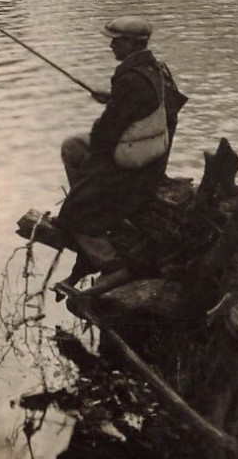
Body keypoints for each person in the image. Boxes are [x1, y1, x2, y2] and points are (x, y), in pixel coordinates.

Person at [55, 15, 187, 284]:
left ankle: (110, 264)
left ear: (130, 43)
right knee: (72, 146)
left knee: (73, 212)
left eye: (115, 42)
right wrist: (114, 99)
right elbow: (162, 111)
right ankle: (92, 202)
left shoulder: (130, 80)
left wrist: (92, 178)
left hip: (130, 161)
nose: (111, 47)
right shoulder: (155, 68)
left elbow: (104, 136)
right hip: (150, 155)